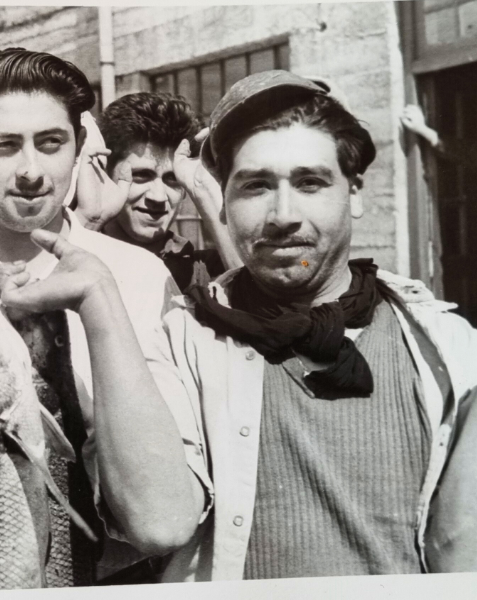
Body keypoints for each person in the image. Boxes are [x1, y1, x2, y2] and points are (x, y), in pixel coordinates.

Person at [0, 48, 209, 583]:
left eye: (51, 143)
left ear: (79, 148)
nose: (30, 171)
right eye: (3, 146)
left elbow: (164, 516)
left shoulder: (138, 277)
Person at [167, 70, 477, 579]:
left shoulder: (449, 352)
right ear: (222, 200)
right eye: (255, 186)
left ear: (354, 193)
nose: (282, 214)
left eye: (310, 182)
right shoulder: (183, 341)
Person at [73, 92, 241, 290]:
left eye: (173, 179)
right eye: (142, 175)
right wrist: (89, 222)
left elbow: (262, 310)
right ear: (105, 175)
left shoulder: (204, 272)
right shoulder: (78, 251)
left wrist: (203, 190)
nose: (159, 197)